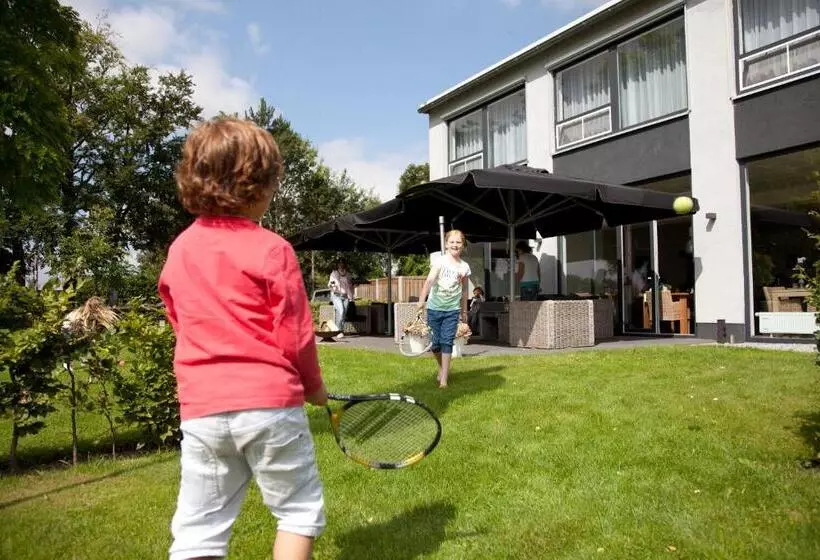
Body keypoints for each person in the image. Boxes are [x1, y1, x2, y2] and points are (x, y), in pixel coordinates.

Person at [158, 117, 328, 560]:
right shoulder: (273, 249)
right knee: (297, 512)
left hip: (202, 410)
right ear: (256, 187)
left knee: (199, 531)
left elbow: (180, 318)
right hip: (270, 406)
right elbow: (295, 336)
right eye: (271, 183)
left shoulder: (180, 249)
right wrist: (313, 387)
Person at [417, 230, 471, 388]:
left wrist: (464, 311)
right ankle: (441, 367)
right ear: (447, 244)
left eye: (458, 242)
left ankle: (444, 380)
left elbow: (465, 291)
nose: (455, 245)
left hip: (452, 311)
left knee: (447, 342)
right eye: (452, 242)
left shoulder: (464, 267)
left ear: (462, 245)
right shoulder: (440, 262)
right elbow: (429, 281)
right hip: (434, 309)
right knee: (435, 345)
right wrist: (422, 301)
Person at [328, 259, 354, 338]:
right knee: (341, 311)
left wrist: (352, 294)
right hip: (336, 295)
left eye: (343, 263)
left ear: (345, 265)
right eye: (339, 263)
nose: (341, 265)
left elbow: (350, 285)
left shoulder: (348, 274)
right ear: (337, 265)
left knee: (343, 314)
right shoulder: (334, 273)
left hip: (345, 296)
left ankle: (338, 330)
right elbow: (330, 283)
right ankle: (339, 331)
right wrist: (332, 285)